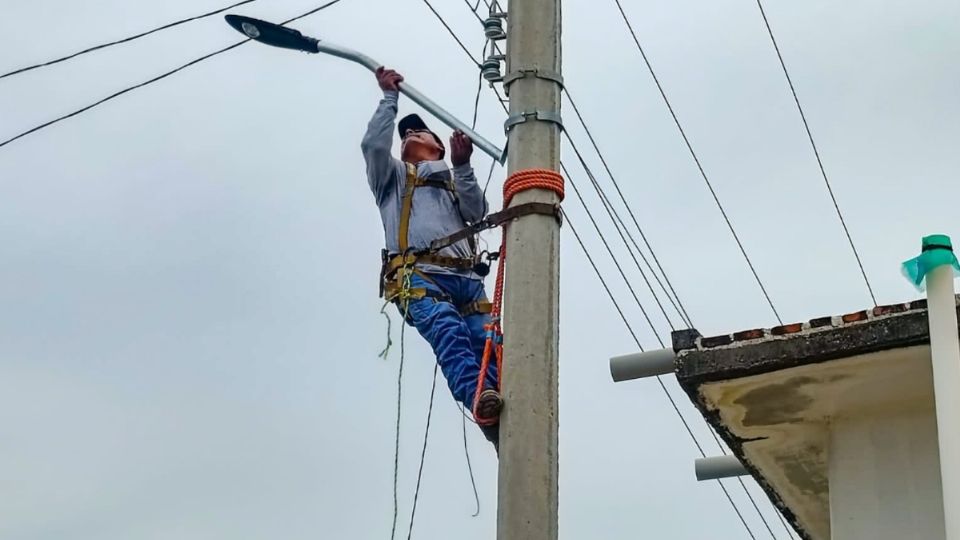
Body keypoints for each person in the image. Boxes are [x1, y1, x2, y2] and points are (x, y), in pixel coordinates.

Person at [361, 67, 501, 449]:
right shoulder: (393, 178)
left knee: (492, 344)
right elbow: (374, 146)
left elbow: (476, 212)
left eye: (418, 131)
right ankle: (481, 399)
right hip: (419, 277)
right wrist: (390, 98)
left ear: (439, 146)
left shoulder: (455, 181)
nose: (409, 135)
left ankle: (499, 406)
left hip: (467, 281)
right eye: (405, 134)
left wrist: (463, 166)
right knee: (448, 331)